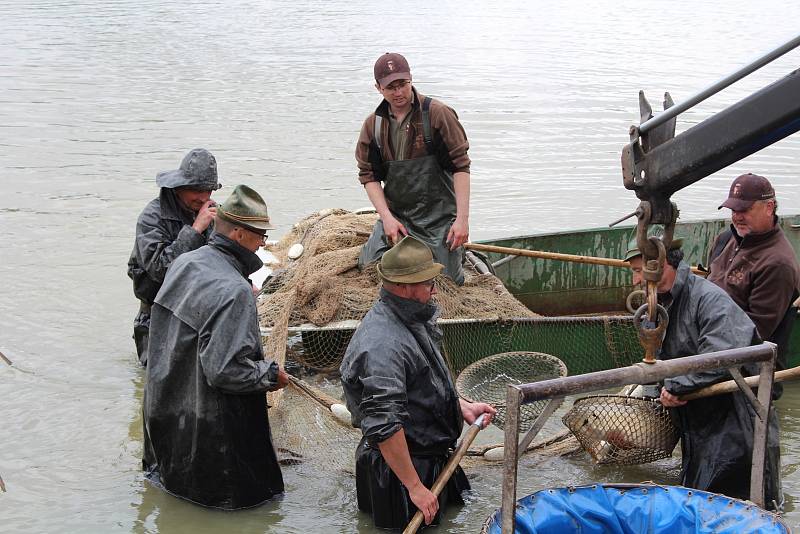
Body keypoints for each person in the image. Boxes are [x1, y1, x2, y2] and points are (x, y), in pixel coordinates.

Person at [143, 184, 289, 510]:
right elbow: (225, 371)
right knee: (250, 507)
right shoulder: (235, 291)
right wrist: (270, 376)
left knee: (176, 502)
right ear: (238, 234)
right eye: (259, 234)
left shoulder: (185, 262)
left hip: (167, 426)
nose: (264, 242)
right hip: (213, 444)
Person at [340, 235, 496, 529]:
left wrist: (460, 406)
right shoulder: (381, 344)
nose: (434, 290)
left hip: (431, 459)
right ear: (403, 287)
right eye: (427, 284)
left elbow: (423, 380)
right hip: (399, 474)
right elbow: (385, 425)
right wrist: (414, 487)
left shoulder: (412, 318)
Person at [626, 238, 782, 508]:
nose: (636, 280)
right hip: (698, 423)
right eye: (633, 272)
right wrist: (658, 393)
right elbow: (655, 362)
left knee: (743, 507)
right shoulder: (656, 306)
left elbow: (720, 357)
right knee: (698, 502)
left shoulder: (710, 299)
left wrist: (676, 386)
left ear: (663, 265)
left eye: (640, 271)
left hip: (738, 424)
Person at [355, 52, 472, 285]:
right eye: (391, 87)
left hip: (437, 219)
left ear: (411, 80)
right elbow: (368, 176)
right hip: (399, 218)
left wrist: (462, 220)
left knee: (444, 279)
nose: (398, 93)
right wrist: (387, 218)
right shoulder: (373, 125)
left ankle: (454, 255)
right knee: (370, 266)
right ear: (378, 88)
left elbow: (461, 166)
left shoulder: (438, 114)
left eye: (403, 85)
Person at [707, 173, 800, 398]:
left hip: (748, 378)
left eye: (744, 210)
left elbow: (754, 333)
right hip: (709, 350)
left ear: (769, 207)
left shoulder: (778, 264)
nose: (737, 217)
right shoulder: (724, 240)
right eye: (733, 210)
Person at [127, 148, 220, 366]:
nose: (204, 197)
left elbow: (223, 258)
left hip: (198, 315)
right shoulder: (152, 218)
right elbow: (160, 269)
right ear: (179, 187)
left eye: (209, 190)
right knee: (157, 384)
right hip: (158, 317)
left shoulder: (212, 214)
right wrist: (196, 229)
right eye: (197, 190)